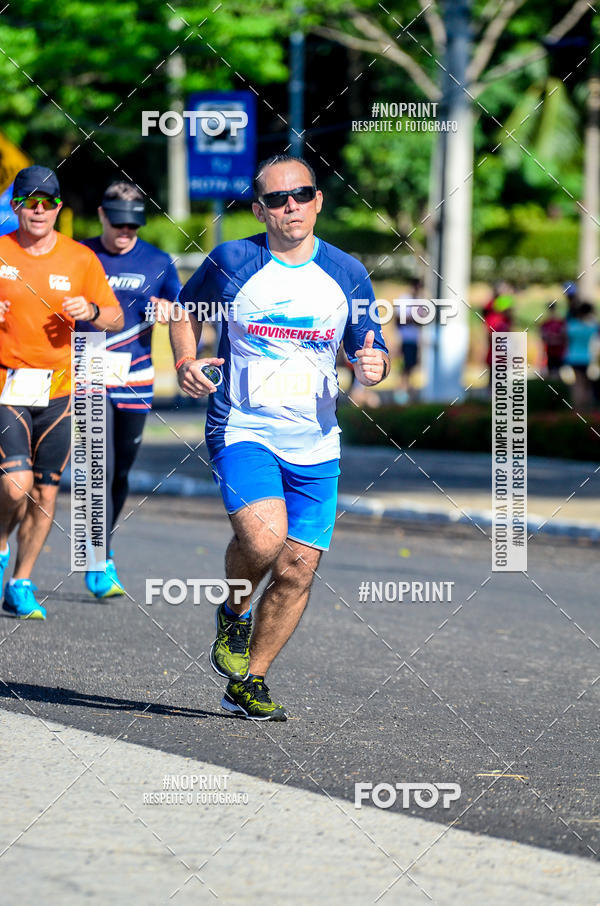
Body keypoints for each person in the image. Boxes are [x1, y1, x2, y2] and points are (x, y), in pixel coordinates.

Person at [170, 153, 390, 721]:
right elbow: (182, 311)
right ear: (260, 209)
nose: (290, 206)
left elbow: (369, 340)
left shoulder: (346, 272)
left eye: (301, 194)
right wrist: (186, 359)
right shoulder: (233, 261)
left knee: (296, 568)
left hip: (316, 439)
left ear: (318, 200)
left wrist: (373, 365)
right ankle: (235, 612)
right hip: (244, 426)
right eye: (276, 198)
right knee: (265, 542)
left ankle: (251, 680)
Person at [0, 165, 123, 619]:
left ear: (57, 208)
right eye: (29, 201)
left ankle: (21, 580)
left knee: (46, 493)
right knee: (16, 485)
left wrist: (90, 308)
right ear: (16, 206)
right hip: (7, 384)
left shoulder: (79, 259)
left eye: (47, 202)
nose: (38, 210)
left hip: (60, 389)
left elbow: (115, 317)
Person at [78, 181, 181, 598]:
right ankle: (95, 560)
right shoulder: (80, 255)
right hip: (87, 369)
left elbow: (185, 312)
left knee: (120, 470)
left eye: (133, 226)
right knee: (97, 466)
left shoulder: (158, 261)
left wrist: (170, 310)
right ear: (102, 215)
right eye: (118, 223)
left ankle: (103, 548)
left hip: (136, 377)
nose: (125, 233)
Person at [565, 301, 598, 409]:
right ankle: (588, 408)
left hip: (574, 357)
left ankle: (578, 408)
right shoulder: (592, 326)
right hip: (589, 358)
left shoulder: (572, 326)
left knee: (578, 384)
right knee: (588, 385)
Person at [539, 301, 566, 377]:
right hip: (551, 351)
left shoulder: (559, 322)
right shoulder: (547, 323)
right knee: (552, 373)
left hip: (558, 351)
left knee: (557, 373)